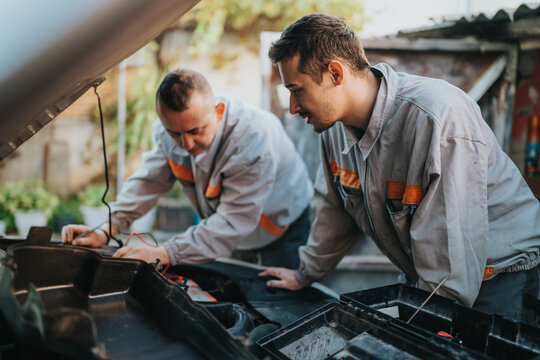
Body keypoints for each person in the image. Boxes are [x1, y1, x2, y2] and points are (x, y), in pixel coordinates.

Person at [259, 13, 540, 323]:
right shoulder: (334, 129)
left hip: (498, 278)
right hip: (428, 276)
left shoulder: (435, 118)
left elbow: (451, 263)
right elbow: (335, 211)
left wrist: (416, 325)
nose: (292, 108)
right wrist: (304, 274)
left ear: (335, 74)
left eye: (297, 90)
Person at [63, 69, 313, 269]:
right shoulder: (167, 133)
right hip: (230, 230)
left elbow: (233, 220)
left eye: (196, 131)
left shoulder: (253, 139)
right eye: (175, 133)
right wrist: (107, 228)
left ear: (219, 111)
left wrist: (166, 252)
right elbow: (148, 182)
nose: (186, 144)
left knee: (275, 310)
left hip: (282, 229)